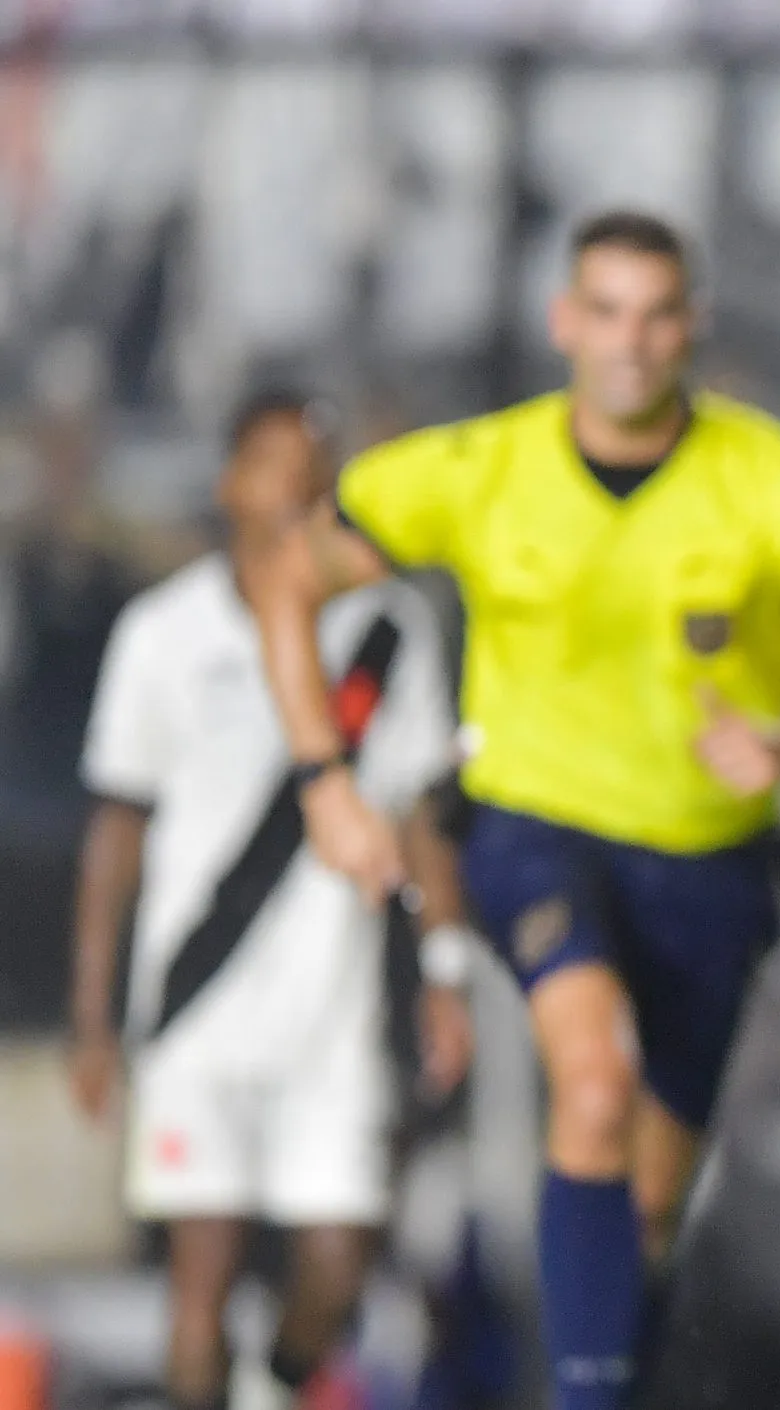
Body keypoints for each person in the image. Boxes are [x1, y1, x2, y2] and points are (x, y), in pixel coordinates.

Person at [235, 211, 780, 1410]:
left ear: (691, 327)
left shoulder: (777, 485)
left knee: (650, 1206)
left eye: (656, 313)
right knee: (594, 1080)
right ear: (566, 322)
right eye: (605, 311)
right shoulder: (481, 471)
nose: (630, 341)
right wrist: (324, 782)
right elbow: (285, 579)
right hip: (533, 829)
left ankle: (610, 1378)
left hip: (704, 865)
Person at [66, 391, 474, 1410]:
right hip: (201, 998)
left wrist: (446, 967)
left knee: (337, 1262)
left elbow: (424, 814)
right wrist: (94, 1015)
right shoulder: (164, 634)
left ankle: (271, 1387)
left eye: (318, 467)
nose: (300, 486)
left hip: (334, 1011)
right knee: (200, 1275)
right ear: (231, 485)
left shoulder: (389, 634)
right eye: (278, 464)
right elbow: (116, 833)